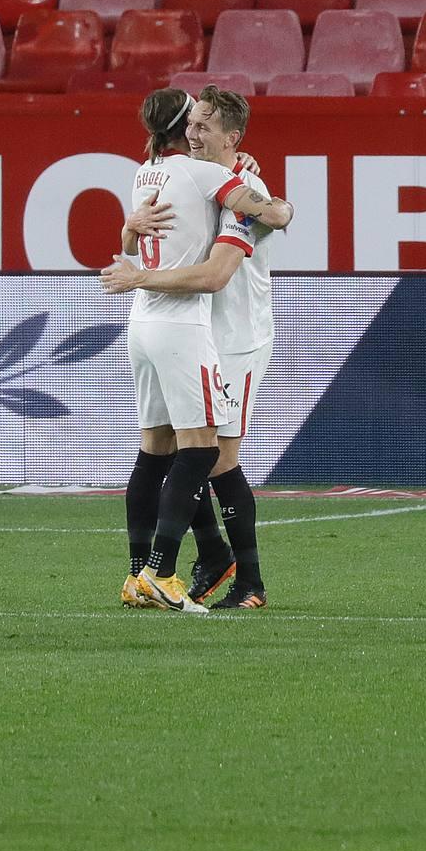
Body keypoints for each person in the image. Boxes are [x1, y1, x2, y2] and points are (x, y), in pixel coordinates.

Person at [98, 88, 292, 614]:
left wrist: (280, 203)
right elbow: (145, 233)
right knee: (190, 452)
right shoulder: (189, 178)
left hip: (235, 336)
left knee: (217, 458)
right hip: (193, 329)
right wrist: (129, 229)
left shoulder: (240, 185)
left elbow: (221, 271)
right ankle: (211, 556)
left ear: (230, 137)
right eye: (192, 124)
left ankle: (246, 579)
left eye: (205, 126)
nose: (194, 134)